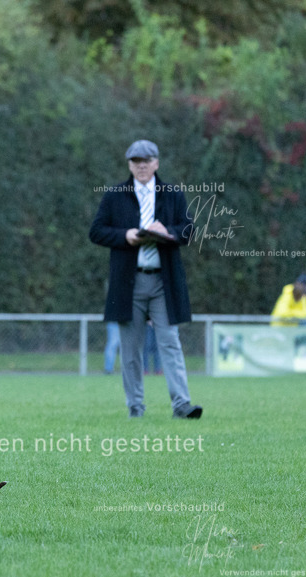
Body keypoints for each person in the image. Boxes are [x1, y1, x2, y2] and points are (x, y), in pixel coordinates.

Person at [89, 139, 202, 419]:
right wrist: (125, 235)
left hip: (163, 282)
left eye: (147, 161)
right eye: (136, 161)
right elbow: (96, 231)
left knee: (170, 342)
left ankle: (182, 405)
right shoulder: (115, 195)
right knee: (130, 349)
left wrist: (168, 230)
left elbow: (189, 230)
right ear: (129, 164)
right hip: (129, 282)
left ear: (156, 163)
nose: (141, 166)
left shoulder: (172, 195)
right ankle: (135, 408)